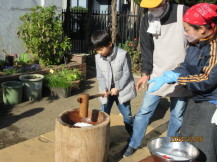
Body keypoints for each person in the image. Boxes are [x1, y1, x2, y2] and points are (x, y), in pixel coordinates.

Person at [147, 3, 217, 161]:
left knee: (204, 144)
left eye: (187, 29)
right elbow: (186, 65)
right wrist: (171, 74)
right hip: (196, 96)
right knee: (186, 135)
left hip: (212, 102)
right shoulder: (196, 42)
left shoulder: (214, 47)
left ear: (201, 29)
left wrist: (178, 78)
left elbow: (207, 79)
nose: (185, 33)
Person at [123, 0, 192, 157]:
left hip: (181, 75)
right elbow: (147, 49)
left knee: (177, 116)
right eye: (149, 7)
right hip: (158, 74)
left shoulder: (184, 12)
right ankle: (133, 143)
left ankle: (170, 146)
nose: (152, 9)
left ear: (166, 2)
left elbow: (195, 42)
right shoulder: (147, 19)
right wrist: (146, 73)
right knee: (144, 112)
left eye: (156, 6)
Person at [91, 30, 137, 135]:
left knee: (127, 117)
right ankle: (103, 137)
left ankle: (132, 136)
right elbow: (100, 76)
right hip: (106, 93)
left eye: (101, 49)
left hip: (122, 91)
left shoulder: (122, 55)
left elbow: (127, 74)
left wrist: (117, 88)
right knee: (103, 116)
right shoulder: (98, 58)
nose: (99, 52)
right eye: (97, 50)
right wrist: (103, 89)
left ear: (109, 44)